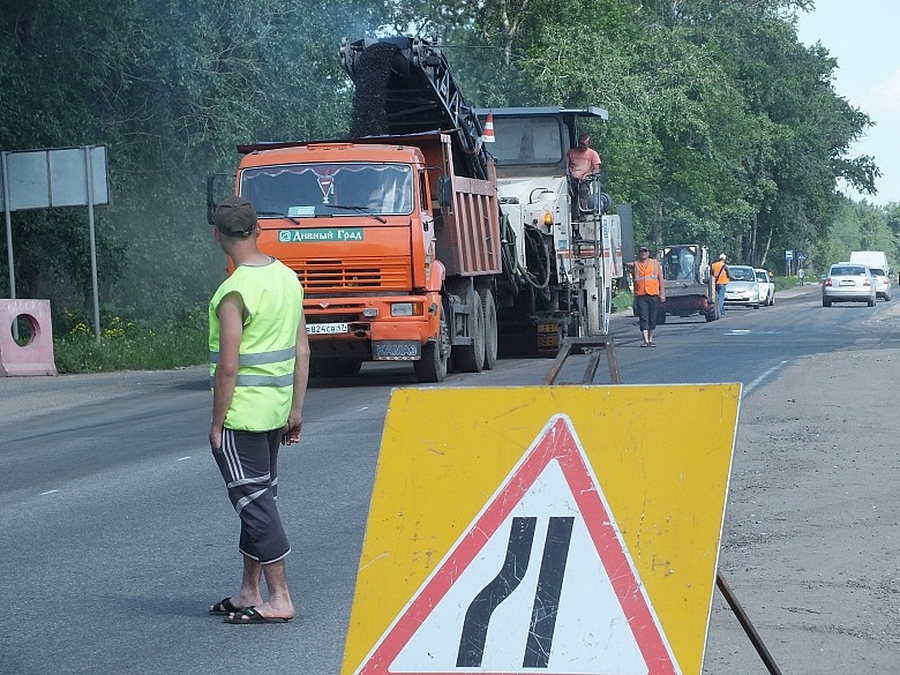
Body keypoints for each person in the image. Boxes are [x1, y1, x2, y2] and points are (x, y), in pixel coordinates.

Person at [207, 195, 311, 624]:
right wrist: (296, 409)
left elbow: (228, 367)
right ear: (258, 231)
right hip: (275, 413)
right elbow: (302, 349)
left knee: (256, 505)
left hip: (242, 417)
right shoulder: (288, 279)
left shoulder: (233, 292)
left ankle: (280, 598)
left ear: (218, 237)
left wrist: (217, 424)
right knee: (259, 499)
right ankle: (250, 591)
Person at [631, 246, 665, 347]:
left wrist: (662, 293)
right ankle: (646, 340)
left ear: (649, 253)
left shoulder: (655, 264)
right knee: (643, 317)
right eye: (641, 251)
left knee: (652, 318)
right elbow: (624, 261)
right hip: (641, 294)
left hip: (653, 294)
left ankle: (650, 339)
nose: (643, 253)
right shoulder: (636, 264)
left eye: (645, 251)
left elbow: (660, 279)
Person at [566, 133, 602, 211]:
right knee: (569, 192)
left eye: (584, 145)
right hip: (571, 179)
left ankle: (583, 210)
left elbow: (597, 170)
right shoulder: (571, 153)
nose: (582, 146)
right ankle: (571, 212)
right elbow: (565, 165)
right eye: (580, 144)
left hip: (585, 180)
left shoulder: (593, 154)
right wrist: (569, 174)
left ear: (589, 144)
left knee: (582, 190)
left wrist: (586, 175)